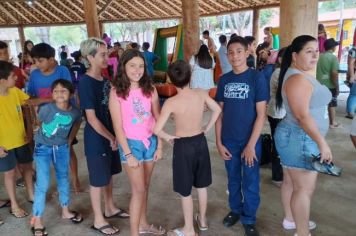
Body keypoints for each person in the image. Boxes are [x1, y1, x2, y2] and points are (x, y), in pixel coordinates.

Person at [153, 60, 221, 236]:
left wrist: (169, 138)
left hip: (183, 145)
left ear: (170, 79)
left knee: (185, 191)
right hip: (200, 141)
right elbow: (217, 110)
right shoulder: (200, 93)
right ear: (190, 75)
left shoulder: (171, 102)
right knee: (202, 185)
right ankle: (203, 221)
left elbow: (157, 129)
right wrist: (207, 127)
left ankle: (189, 229)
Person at [274, 35, 332, 236]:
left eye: (316, 50)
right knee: (303, 189)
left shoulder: (298, 74)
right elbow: (302, 116)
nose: (315, 54)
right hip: (301, 138)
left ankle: (292, 220)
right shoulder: (297, 79)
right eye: (309, 51)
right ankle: (302, 231)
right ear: (295, 55)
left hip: (296, 136)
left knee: (291, 183)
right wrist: (322, 143)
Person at [215, 36, 269, 236]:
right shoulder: (224, 80)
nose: (235, 56)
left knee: (251, 181)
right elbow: (219, 114)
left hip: (250, 141)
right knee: (233, 179)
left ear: (247, 53)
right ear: (227, 56)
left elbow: (261, 114)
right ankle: (235, 210)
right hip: (229, 140)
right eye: (231, 52)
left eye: (239, 51)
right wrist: (219, 142)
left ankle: (249, 218)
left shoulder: (256, 77)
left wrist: (251, 145)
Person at [109, 49, 165, 236]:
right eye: (132, 65)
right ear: (123, 66)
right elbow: (117, 127)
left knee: (145, 187)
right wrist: (128, 153)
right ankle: (134, 233)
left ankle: (143, 224)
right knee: (138, 189)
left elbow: (158, 118)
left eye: (141, 66)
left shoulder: (151, 89)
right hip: (131, 145)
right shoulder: (116, 92)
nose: (137, 70)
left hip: (150, 142)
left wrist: (160, 145)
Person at [78, 38, 128, 236]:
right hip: (97, 138)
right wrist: (110, 137)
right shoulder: (85, 83)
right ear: (90, 57)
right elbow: (91, 118)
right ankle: (99, 219)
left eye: (107, 53)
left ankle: (110, 207)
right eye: (102, 54)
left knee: (108, 174)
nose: (107, 57)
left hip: (110, 135)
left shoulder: (106, 81)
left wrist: (116, 134)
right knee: (98, 180)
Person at [30, 79, 83, 236]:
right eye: (56, 91)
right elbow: (38, 122)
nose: (60, 94)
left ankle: (65, 211)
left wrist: (69, 139)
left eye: (64, 91)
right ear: (52, 94)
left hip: (61, 148)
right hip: (42, 148)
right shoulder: (47, 109)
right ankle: (37, 219)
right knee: (43, 183)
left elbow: (77, 123)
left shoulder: (75, 112)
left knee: (63, 178)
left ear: (71, 94)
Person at [28, 43, 82, 194]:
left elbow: (68, 92)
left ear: (51, 59)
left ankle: (75, 178)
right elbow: (31, 97)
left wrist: (46, 100)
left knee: (68, 147)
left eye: (40, 61)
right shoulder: (34, 75)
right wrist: (43, 104)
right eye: (35, 61)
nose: (37, 64)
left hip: (66, 117)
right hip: (45, 119)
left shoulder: (62, 70)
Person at [0, 61, 33, 224]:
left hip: (20, 139)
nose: (16, 77)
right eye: (13, 76)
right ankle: (14, 204)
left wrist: (52, 98)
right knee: (10, 173)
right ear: (2, 80)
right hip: (4, 145)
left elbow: (29, 103)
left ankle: (31, 194)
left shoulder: (15, 91)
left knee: (27, 166)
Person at [267, 48, 286, 186]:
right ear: (280, 59)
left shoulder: (285, 73)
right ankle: (277, 176)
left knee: (281, 144)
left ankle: (280, 172)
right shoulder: (279, 73)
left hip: (281, 112)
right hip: (278, 113)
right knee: (278, 144)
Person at [316, 38, 340, 128]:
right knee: (331, 104)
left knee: (320, 104)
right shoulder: (333, 58)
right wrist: (337, 87)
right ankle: (332, 122)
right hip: (329, 85)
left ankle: (319, 121)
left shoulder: (319, 56)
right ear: (333, 47)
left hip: (318, 84)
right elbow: (334, 73)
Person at [346, 46, 356, 119]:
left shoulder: (353, 50)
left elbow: (350, 63)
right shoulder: (353, 50)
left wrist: (351, 76)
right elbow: (351, 63)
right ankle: (351, 112)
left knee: (353, 95)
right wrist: (352, 76)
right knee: (353, 94)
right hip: (354, 76)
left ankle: (351, 112)